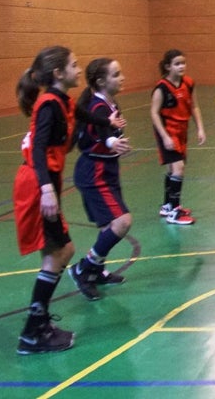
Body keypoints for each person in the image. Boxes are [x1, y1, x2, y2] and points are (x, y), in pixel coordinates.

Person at [12, 46, 81, 354]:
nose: (79, 69)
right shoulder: (49, 104)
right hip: (37, 183)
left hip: (45, 181)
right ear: (58, 73)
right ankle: (32, 332)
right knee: (59, 251)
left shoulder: (62, 101)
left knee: (61, 251)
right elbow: (39, 148)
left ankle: (37, 326)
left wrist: (107, 127)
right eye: (74, 65)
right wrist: (46, 189)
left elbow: (84, 117)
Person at [68, 58, 134, 301]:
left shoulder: (108, 103)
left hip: (106, 169)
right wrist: (111, 141)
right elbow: (102, 133)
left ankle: (96, 271)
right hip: (94, 172)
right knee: (122, 222)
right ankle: (84, 269)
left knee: (109, 226)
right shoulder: (97, 107)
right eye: (116, 74)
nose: (122, 77)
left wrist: (115, 141)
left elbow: (107, 130)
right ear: (101, 81)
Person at [150, 49, 206, 225]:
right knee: (178, 169)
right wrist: (165, 136)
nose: (181, 66)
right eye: (177, 64)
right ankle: (175, 212)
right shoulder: (161, 88)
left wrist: (200, 128)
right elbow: (154, 113)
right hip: (168, 131)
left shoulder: (188, 83)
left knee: (172, 169)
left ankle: (167, 206)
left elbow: (194, 106)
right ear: (168, 67)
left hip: (182, 130)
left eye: (183, 63)